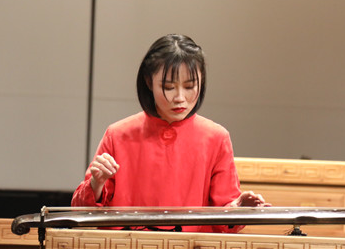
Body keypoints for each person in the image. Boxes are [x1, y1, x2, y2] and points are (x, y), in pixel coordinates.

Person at [72, 34, 268, 233]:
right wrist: (96, 184)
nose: (180, 97)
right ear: (149, 82)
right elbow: (81, 212)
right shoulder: (118, 135)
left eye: (190, 86)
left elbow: (225, 220)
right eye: (168, 87)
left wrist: (238, 209)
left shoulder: (216, 138)